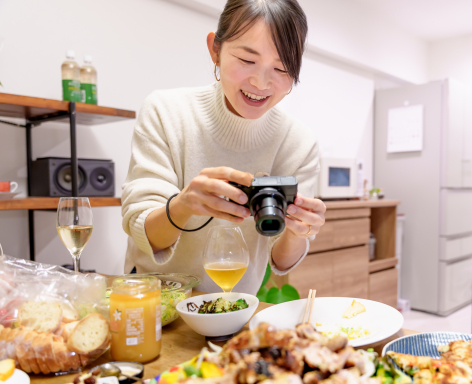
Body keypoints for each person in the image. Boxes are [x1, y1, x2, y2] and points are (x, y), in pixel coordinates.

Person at [121, 0, 325, 293]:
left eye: (281, 68)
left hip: (235, 308)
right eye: (247, 60)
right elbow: (146, 234)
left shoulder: (298, 142)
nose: (261, 82)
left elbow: (280, 262)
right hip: (155, 307)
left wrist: (299, 230)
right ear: (215, 49)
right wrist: (184, 204)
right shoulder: (166, 112)